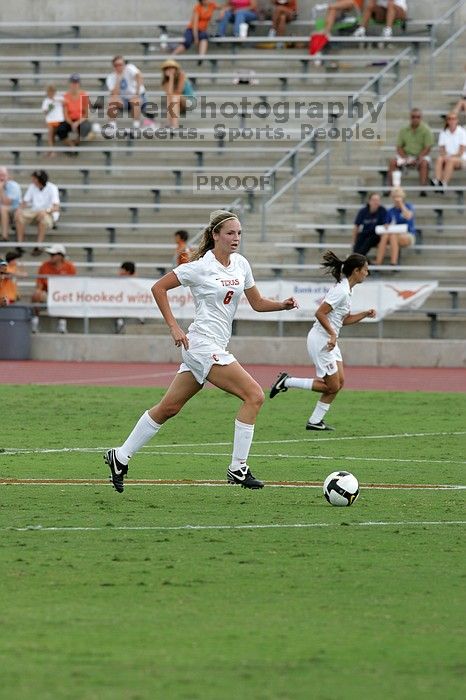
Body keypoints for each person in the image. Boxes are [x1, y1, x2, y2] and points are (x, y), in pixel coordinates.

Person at [104, 208, 298, 493]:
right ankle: (238, 468)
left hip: (214, 346)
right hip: (201, 345)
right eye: (230, 233)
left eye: (239, 233)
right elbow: (159, 288)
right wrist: (173, 326)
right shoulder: (200, 267)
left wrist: (282, 305)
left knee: (169, 408)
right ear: (215, 235)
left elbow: (256, 303)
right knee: (254, 395)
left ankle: (119, 456)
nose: (236, 238)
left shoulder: (241, 264)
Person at [270, 251, 375, 430]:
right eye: (365, 269)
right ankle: (287, 382)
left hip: (329, 341)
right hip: (322, 341)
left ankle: (315, 421)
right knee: (332, 386)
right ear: (356, 271)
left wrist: (364, 314)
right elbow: (319, 313)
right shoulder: (341, 291)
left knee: (339, 383)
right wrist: (333, 334)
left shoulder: (347, 290)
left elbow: (344, 320)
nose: (367, 273)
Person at [31, 244, 76, 333]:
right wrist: (39, 291)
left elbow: (72, 285)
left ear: (60, 256)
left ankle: (62, 324)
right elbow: (39, 285)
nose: (51, 256)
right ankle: (34, 323)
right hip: (48, 293)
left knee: (64, 296)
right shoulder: (44, 266)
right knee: (37, 294)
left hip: (63, 294)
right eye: (51, 255)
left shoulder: (70, 267)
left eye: (53, 255)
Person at [387, 108, 434, 194]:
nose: (415, 119)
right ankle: (391, 188)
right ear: (410, 118)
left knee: (424, 163)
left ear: (421, 118)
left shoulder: (426, 130)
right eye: (413, 117)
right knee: (392, 162)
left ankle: (423, 189)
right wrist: (405, 157)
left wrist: (418, 157)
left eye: (418, 117)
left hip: (421, 155)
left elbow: (428, 147)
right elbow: (399, 147)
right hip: (406, 155)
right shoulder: (403, 130)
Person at [14, 170, 60, 256]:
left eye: (34, 179)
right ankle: (19, 244)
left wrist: (46, 211)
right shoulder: (32, 186)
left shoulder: (52, 188)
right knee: (19, 216)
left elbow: (56, 207)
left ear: (39, 180)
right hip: (35, 212)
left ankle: (38, 246)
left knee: (42, 218)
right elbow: (25, 202)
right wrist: (19, 210)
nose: (32, 180)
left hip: (47, 213)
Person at [374, 187, 415, 267]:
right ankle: (378, 262)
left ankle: (393, 262)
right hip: (394, 235)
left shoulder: (408, 206)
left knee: (393, 235)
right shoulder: (390, 211)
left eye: (399, 196)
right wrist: (386, 225)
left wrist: (401, 205)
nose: (397, 199)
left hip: (407, 235)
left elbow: (408, 216)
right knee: (386, 236)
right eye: (395, 197)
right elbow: (387, 223)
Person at [106, 56, 146, 133]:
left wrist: (136, 93)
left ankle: (136, 125)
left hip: (138, 97)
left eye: (120, 64)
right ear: (113, 66)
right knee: (112, 100)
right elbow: (114, 94)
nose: (119, 67)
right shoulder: (111, 77)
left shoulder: (130, 68)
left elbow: (139, 77)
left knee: (135, 100)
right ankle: (112, 125)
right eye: (116, 65)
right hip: (124, 100)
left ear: (124, 64)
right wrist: (118, 78)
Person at [431, 113, 466, 191]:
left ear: (457, 120)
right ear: (447, 121)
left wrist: (448, 157)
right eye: (449, 119)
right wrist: (445, 156)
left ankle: (444, 183)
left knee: (450, 160)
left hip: (461, 159)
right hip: (448, 158)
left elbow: (461, 151)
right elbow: (441, 149)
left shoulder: (462, 132)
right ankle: (437, 181)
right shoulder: (443, 132)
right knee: (440, 158)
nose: (451, 121)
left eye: (453, 119)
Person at [56, 74, 92, 148]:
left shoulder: (84, 95)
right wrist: (72, 123)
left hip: (80, 120)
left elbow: (86, 114)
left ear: (79, 84)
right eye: (73, 82)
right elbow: (65, 114)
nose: (74, 85)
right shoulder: (66, 96)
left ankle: (76, 142)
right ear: (70, 84)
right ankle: (70, 145)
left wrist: (77, 123)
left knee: (86, 127)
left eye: (76, 82)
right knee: (60, 129)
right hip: (69, 120)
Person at [161, 59, 196, 129]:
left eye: (171, 67)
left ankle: (173, 125)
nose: (170, 70)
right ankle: (171, 124)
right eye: (167, 68)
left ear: (176, 69)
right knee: (170, 98)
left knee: (174, 97)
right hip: (176, 102)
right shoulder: (166, 81)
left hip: (189, 101)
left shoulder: (181, 74)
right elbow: (169, 93)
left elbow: (179, 91)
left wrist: (172, 77)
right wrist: (171, 78)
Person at [352, 192, 388, 256]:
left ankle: (359, 258)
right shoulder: (363, 211)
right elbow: (356, 226)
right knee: (358, 241)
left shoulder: (382, 210)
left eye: (377, 200)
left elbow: (386, 223)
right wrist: (354, 241)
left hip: (376, 234)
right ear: (369, 201)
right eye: (374, 200)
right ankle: (357, 258)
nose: (376, 202)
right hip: (365, 233)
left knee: (368, 241)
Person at [41, 84, 64, 157]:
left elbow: (65, 102)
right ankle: (52, 151)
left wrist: (56, 100)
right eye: (49, 92)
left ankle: (50, 151)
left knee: (53, 133)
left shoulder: (59, 98)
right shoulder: (46, 101)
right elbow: (45, 111)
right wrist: (50, 107)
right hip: (50, 121)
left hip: (59, 120)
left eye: (52, 92)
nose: (51, 93)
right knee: (50, 132)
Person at [0, 167, 21, 242]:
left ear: (8, 176)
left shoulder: (14, 185)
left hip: (13, 209)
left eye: (3, 175)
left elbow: (7, 203)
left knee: (3, 208)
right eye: (0, 175)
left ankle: (5, 236)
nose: (1, 178)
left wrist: (1, 189)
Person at [115, 261, 137, 334]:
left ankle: (141, 320)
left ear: (128, 271)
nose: (119, 272)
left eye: (122, 270)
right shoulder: (117, 281)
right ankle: (120, 323)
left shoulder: (137, 282)